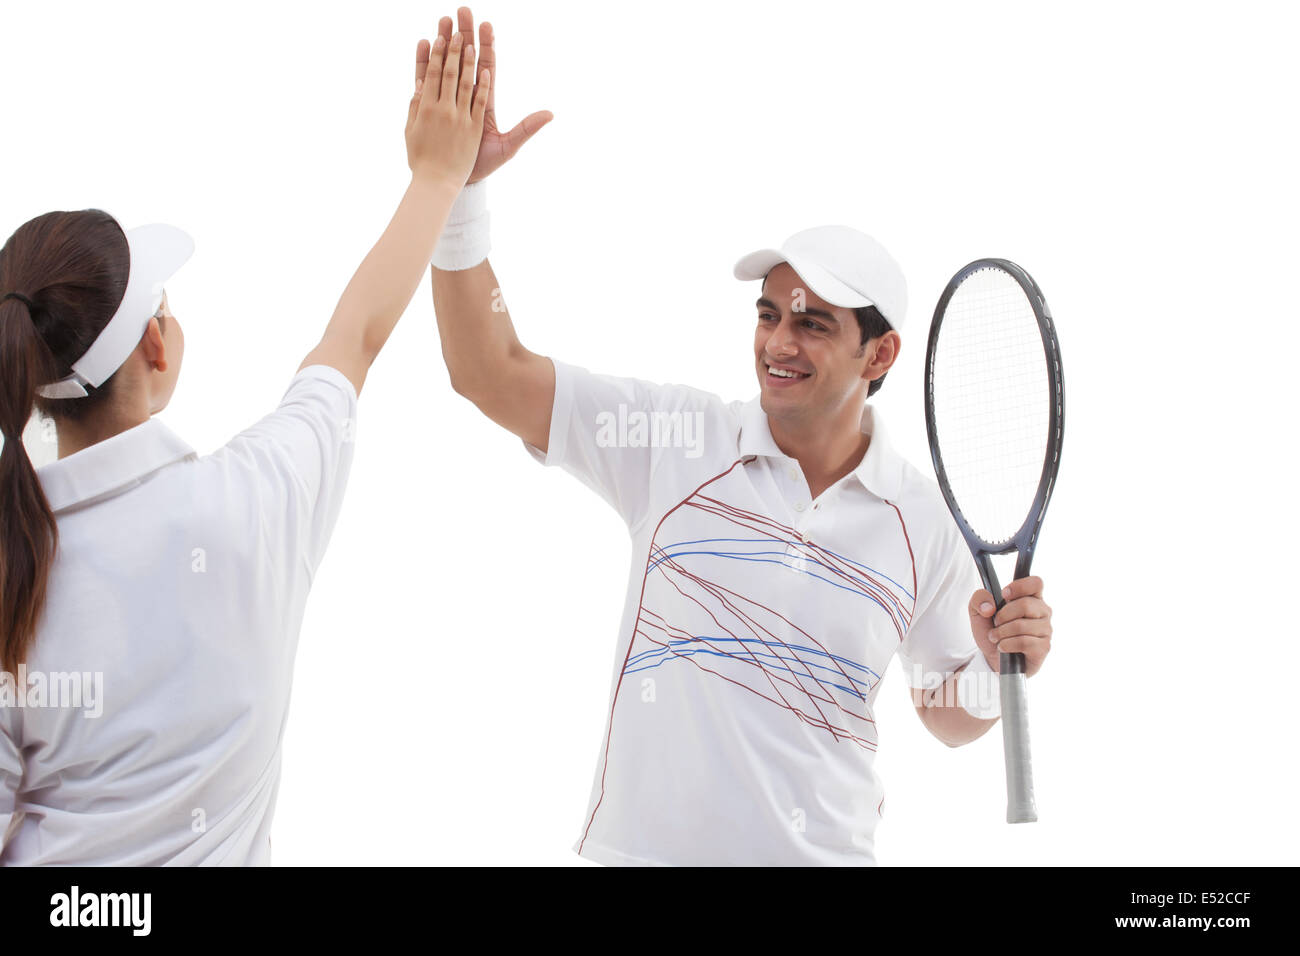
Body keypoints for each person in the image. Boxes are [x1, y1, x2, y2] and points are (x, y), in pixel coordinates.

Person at [429, 7, 1054, 865]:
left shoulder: (921, 520)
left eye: (813, 324)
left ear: (882, 353)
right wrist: (459, 196)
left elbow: (943, 713)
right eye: (768, 315)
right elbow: (487, 369)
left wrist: (992, 664)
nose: (778, 344)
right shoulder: (672, 439)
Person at [0, 23, 490, 865]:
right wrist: (439, 177)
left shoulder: (13, 563)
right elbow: (356, 336)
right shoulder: (259, 500)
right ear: (157, 346)